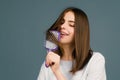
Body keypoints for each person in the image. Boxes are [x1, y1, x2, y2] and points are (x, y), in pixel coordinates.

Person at [37, 7, 106, 80]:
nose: (62, 26)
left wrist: (56, 72)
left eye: (71, 25)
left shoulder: (95, 60)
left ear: (81, 32)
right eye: (61, 22)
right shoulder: (48, 63)